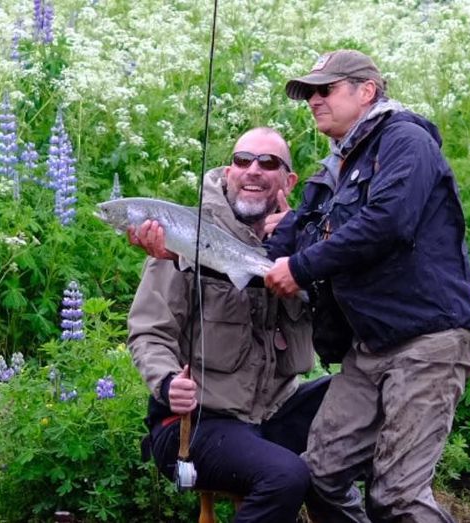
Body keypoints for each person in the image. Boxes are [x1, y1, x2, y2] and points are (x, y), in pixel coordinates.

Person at [263, 50, 470, 522]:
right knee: (318, 477)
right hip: (367, 347)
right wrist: (184, 249)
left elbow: (389, 222)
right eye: (309, 94)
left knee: (398, 495)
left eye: (325, 90)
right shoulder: (330, 173)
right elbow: (282, 241)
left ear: (366, 91)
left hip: (429, 340)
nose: (314, 101)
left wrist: (300, 267)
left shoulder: (405, 141)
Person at [126, 127, 330, 523]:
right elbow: (149, 331)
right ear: (228, 171)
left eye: (268, 163)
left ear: (288, 181)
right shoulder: (184, 235)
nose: (253, 170)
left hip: (272, 414)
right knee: (285, 476)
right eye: (242, 160)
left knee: (373, 400)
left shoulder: (305, 245)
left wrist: (301, 246)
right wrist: (168, 383)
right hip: (197, 421)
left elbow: (335, 329)